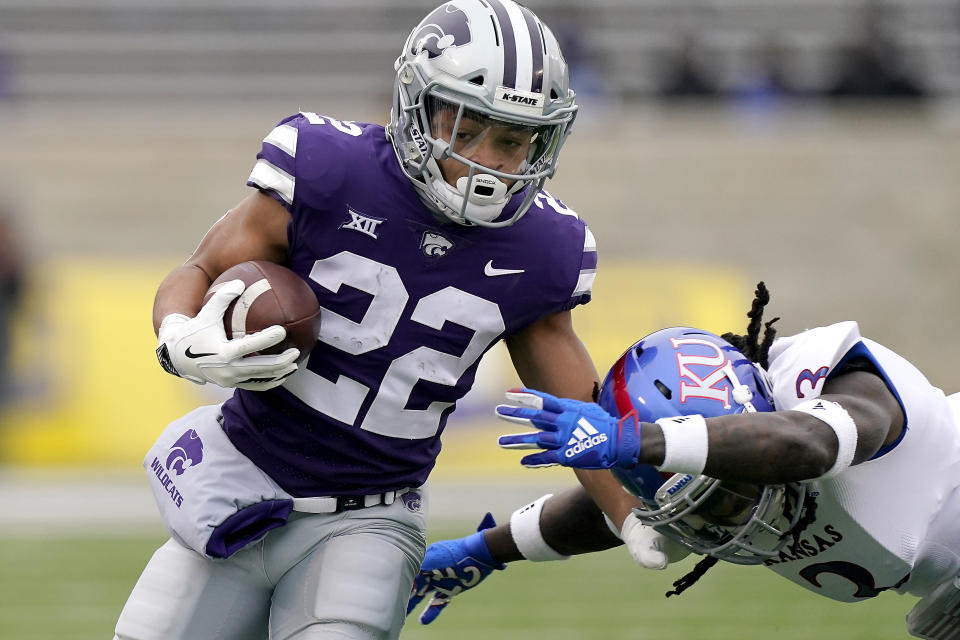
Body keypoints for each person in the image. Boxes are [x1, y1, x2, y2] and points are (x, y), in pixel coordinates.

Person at [113, 2, 599, 639]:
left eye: (511, 138)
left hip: (370, 517)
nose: (488, 159)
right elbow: (199, 269)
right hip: (241, 483)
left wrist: (638, 505)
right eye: (467, 126)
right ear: (418, 108)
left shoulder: (542, 248)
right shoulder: (329, 168)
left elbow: (593, 426)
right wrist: (177, 337)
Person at [408, 283, 960, 639]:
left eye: (725, 492)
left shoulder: (825, 384)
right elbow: (632, 511)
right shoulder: (700, 480)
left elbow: (808, 444)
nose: (728, 519)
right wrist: (485, 550)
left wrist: (640, 440)